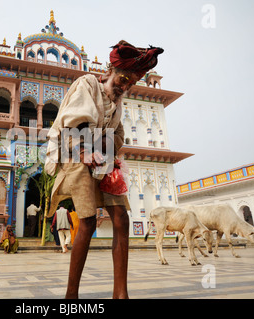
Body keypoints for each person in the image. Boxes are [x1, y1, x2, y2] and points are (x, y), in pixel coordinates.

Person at [45, 40, 163, 299]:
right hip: (75, 154)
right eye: (122, 79)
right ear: (109, 72)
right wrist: (85, 150)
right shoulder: (88, 84)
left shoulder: (117, 103)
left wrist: (108, 152)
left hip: (101, 157)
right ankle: (71, 295)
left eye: (130, 83)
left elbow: (118, 133)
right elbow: (74, 119)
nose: (124, 86)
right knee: (87, 221)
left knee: (122, 218)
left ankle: (120, 294)